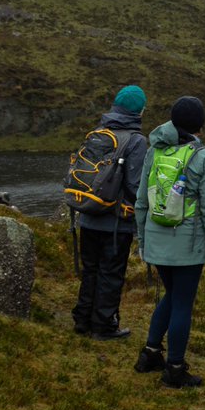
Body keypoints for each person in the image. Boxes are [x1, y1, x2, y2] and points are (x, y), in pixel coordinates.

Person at [133, 96, 205, 389]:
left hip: (156, 240)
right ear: (201, 124)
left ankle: (150, 353)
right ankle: (174, 368)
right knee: (182, 302)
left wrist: (142, 239)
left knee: (171, 296)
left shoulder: (154, 151)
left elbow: (140, 200)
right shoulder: (204, 156)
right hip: (187, 244)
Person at [71, 84, 148, 340]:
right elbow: (134, 185)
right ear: (139, 111)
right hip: (116, 222)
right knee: (111, 273)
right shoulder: (136, 140)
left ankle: (82, 320)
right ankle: (104, 325)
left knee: (90, 269)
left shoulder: (97, 132)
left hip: (88, 213)